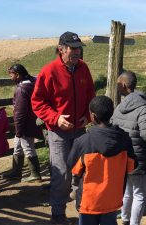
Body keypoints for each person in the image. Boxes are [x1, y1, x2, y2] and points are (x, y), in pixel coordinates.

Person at [31, 31, 95, 225]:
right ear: (61, 49)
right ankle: (58, 212)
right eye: (73, 49)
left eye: (78, 48)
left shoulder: (83, 68)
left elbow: (90, 94)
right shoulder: (49, 71)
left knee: (82, 171)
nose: (77, 52)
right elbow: (37, 101)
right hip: (58, 132)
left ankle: (83, 210)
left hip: (79, 130)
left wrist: (88, 115)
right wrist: (56, 119)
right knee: (62, 173)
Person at [67, 96, 135, 225]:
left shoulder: (83, 142)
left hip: (89, 201)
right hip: (112, 199)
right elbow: (131, 166)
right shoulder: (124, 139)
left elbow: (72, 168)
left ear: (93, 116)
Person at [111, 71, 146, 225]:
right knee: (139, 194)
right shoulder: (145, 108)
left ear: (124, 85)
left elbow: (113, 128)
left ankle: (124, 219)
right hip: (139, 158)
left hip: (123, 157)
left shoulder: (119, 107)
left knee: (128, 191)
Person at [3, 64, 42, 182]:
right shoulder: (32, 83)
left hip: (25, 124)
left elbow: (20, 112)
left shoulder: (21, 89)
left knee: (28, 147)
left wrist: (18, 130)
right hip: (30, 121)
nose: (11, 77)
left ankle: (35, 174)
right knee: (18, 146)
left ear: (18, 75)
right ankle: (16, 172)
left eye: (11, 75)